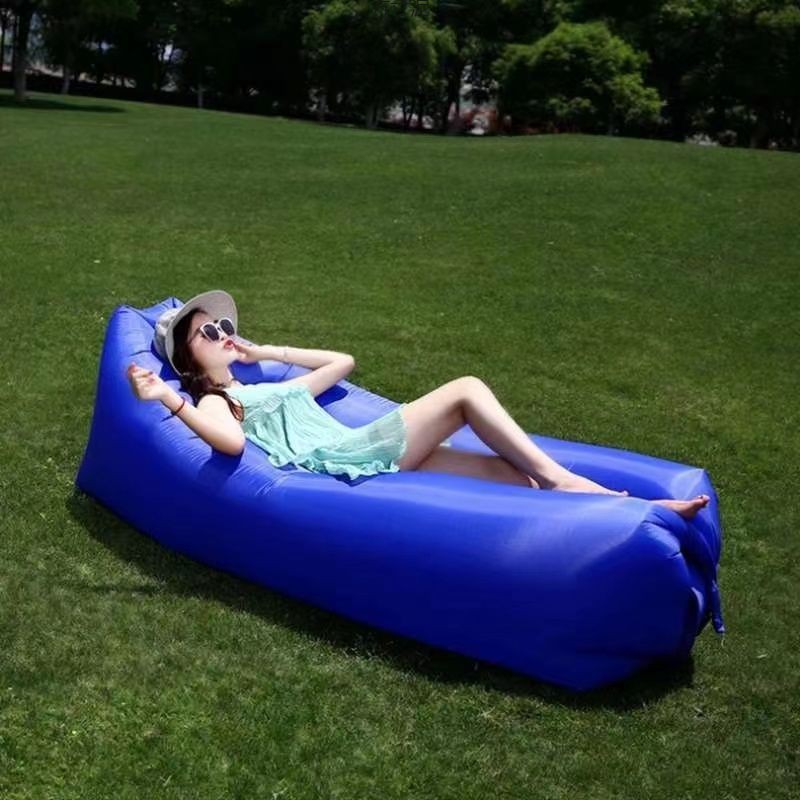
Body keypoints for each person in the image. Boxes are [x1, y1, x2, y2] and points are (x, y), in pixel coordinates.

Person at [128, 290, 710, 519]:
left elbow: (341, 362)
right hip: (348, 455)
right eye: (208, 333)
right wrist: (166, 397)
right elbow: (230, 444)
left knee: (516, 479)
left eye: (225, 326)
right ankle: (569, 483)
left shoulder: (266, 386)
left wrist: (265, 350)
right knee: (465, 389)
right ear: (188, 358)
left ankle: (635, 509)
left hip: (362, 451)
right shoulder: (217, 399)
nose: (223, 334)